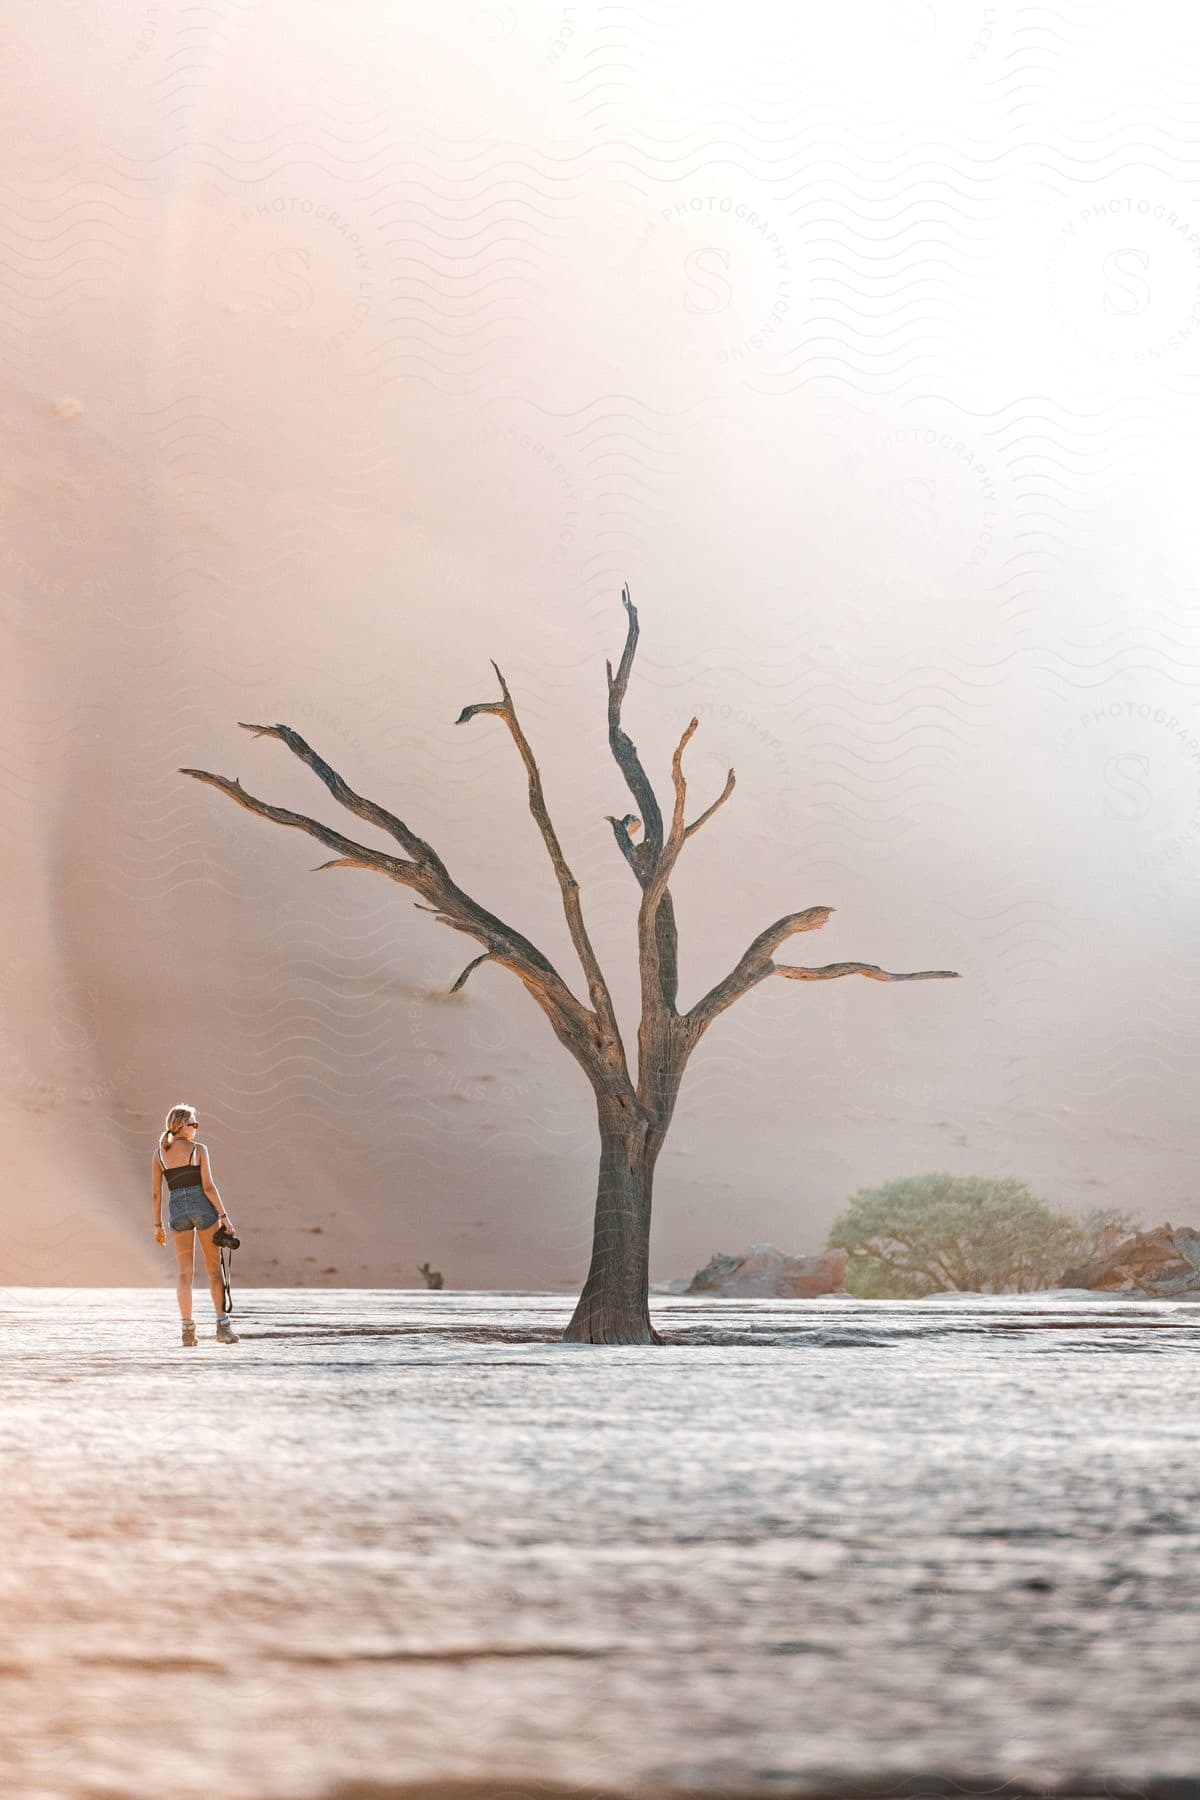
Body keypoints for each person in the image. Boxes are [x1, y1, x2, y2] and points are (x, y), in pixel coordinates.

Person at [152, 1104, 239, 1346]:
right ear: (181, 1126)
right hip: (203, 1209)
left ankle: (187, 1331)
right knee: (213, 1271)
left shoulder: (159, 1154)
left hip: (177, 1213)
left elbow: (156, 1194)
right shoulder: (199, 1150)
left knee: (184, 1274)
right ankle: (223, 1327)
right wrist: (224, 1217)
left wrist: (157, 1225)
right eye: (193, 1124)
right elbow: (209, 1187)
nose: (196, 1129)